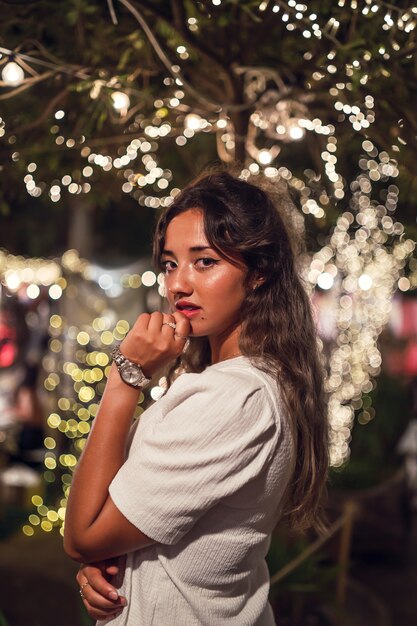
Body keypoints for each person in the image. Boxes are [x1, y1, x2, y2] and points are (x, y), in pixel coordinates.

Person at [64, 170, 328, 625]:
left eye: (204, 261)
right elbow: (129, 524)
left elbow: (82, 534)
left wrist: (126, 377)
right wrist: (115, 569)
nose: (177, 284)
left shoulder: (234, 397)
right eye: (170, 263)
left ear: (259, 272)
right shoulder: (238, 380)